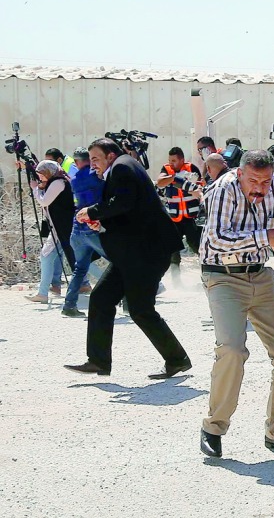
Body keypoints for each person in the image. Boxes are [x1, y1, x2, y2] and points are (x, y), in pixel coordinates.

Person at [197, 149, 274, 459]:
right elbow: (217, 239)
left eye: (265, 181)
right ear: (240, 173)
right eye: (253, 181)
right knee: (232, 350)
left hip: (260, 275)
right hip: (223, 276)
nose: (260, 187)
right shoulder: (224, 189)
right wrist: (264, 236)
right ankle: (213, 428)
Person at [65, 138, 190, 379]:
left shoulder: (122, 167)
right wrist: (102, 221)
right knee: (101, 299)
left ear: (110, 156)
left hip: (147, 254)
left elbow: (122, 203)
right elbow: (129, 210)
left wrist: (92, 211)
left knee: (141, 309)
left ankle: (177, 359)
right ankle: (98, 361)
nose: (92, 165)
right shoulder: (124, 166)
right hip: (133, 253)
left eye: (95, 159)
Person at [61, 149, 107, 318]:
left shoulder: (74, 180)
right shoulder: (97, 176)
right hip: (93, 227)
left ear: (76, 162)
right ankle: (125, 302)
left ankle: (69, 305)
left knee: (80, 269)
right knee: (118, 263)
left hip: (77, 229)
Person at [24, 160, 75, 304]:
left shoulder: (58, 183)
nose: (39, 177)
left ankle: (43, 293)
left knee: (81, 261)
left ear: (48, 172)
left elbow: (44, 201)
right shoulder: (55, 181)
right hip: (58, 228)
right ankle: (42, 293)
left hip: (60, 229)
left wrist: (35, 189)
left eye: (41, 174)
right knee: (47, 256)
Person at [156, 147, 204, 273]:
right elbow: (160, 182)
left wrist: (187, 181)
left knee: (195, 244)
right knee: (173, 250)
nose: (171, 163)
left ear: (182, 160)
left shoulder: (191, 168)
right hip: (174, 217)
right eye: (169, 160)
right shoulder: (166, 169)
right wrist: (175, 178)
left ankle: (206, 271)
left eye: (174, 161)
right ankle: (175, 278)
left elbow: (199, 187)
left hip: (190, 217)